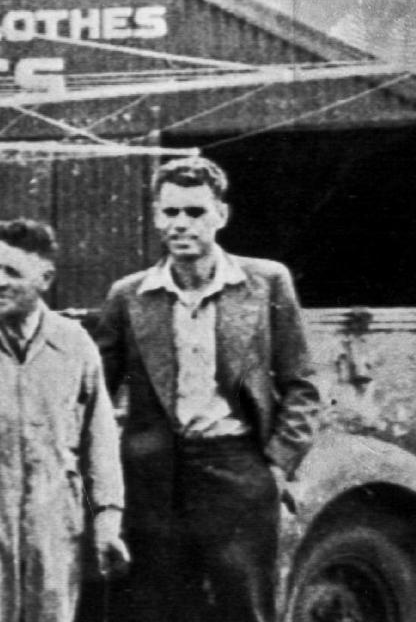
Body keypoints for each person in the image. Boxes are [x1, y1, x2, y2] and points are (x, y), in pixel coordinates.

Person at [94, 156, 319, 622]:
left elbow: (302, 385)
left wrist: (275, 467)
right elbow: (95, 394)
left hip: (238, 471)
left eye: (195, 212)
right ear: (155, 216)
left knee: (245, 607)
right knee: (158, 608)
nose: (181, 225)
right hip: (153, 480)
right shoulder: (128, 296)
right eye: (170, 212)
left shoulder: (265, 283)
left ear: (221, 215)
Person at [0, 219, 127, 622]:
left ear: (44, 278)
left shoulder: (75, 344)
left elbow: (101, 439)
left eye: (11, 271)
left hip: (54, 525)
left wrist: (108, 519)